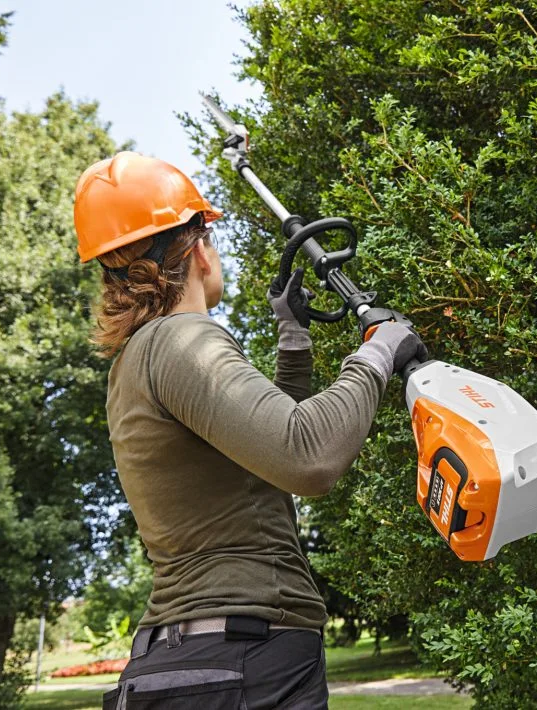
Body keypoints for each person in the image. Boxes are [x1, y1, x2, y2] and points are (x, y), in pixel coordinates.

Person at [74, 151, 427, 709]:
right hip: (243, 662)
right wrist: (378, 351)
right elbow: (306, 456)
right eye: (208, 235)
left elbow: (263, 466)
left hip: (193, 663)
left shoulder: (139, 359)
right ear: (195, 249)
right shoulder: (182, 340)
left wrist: (294, 338)